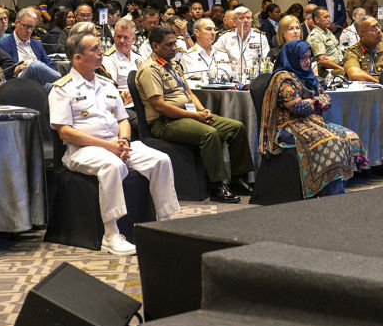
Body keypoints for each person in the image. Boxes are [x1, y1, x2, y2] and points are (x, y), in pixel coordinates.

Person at [49, 32, 179, 255]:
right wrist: (107, 146)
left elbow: (123, 120)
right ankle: (111, 235)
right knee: (113, 165)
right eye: (94, 50)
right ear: (77, 58)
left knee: (160, 159)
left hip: (116, 145)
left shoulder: (107, 85)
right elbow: (66, 132)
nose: (101, 53)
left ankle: (165, 225)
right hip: (82, 151)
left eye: (100, 48)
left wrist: (124, 140)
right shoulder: (62, 88)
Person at [136, 25, 254, 203]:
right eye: (169, 45)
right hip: (165, 122)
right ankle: (217, 185)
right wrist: (194, 116)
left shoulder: (173, 64)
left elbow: (189, 93)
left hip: (187, 114)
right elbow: (159, 106)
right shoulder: (150, 69)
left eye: (175, 43)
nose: (174, 48)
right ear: (155, 46)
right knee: (210, 134)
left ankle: (237, 179)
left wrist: (202, 110)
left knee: (236, 127)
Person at [260, 40, 366, 198]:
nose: (307, 61)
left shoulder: (309, 75)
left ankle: (336, 188)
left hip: (311, 122)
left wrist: (315, 102)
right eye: (303, 58)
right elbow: (298, 107)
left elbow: (326, 100)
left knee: (349, 136)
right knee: (331, 141)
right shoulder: (283, 78)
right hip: (287, 127)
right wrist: (315, 101)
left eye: (309, 57)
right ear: (292, 58)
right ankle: (326, 192)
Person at [0, 7, 63, 89]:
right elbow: (0, 75)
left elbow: (50, 67)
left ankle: (68, 85)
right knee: (34, 65)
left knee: (60, 90)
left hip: (40, 85)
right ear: (17, 23)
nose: (29, 31)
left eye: (32, 27)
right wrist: (15, 70)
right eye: (26, 26)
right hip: (19, 86)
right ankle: (66, 82)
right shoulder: (3, 45)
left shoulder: (37, 44)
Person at [213, 6, 270, 76]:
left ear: (252, 20)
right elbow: (215, 55)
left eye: (248, 18)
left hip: (254, 77)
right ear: (234, 22)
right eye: (241, 18)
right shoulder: (225, 37)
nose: (245, 21)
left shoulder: (260, 37)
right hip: (231, 77)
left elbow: (265, 59)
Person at [101, 18, 143, 107]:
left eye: (126, 37)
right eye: (119, 36)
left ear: (133, 39)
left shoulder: (138, 58)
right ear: (114, 36)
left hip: (141, 100)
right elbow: (110, 89)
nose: (122, 41)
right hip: (123, 104)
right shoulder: (109, 59)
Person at [343, 16, 383, 82]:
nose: (379, 30)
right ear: (361, 34)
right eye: (373, 28)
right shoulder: (353, 52)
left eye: (378, 26)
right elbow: (354, 74)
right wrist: (381, 84)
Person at [305, 6, 344, 78]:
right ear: (317, 19)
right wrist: (341, 68)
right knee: (349, 73)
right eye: (325, 17)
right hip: (326, 71)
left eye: (329, 17)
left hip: (338, 66)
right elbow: (323, 61)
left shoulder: (328, 31)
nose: (329, 19)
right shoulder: (315, 36)